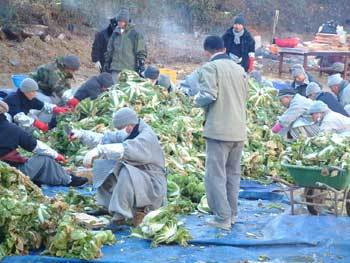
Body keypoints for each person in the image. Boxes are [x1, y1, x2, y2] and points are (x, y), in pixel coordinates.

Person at [70, 107, 166, 226]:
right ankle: (108, 206)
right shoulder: (130, 130)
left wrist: (100, 150)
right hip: (140, 178)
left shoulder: (146, 136)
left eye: (122, 128)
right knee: (105, 166)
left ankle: (120, 216)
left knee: (126, 172)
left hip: (152, 184)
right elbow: (105, 139)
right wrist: (82, 135)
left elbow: (126, 149)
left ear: (130, 124)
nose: (121, 131)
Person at [194, 35, 248, 230]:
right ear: (224, 49)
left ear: (207, 52)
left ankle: (222, 218)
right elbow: (245, 96)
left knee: (215, 175)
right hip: (238, 130)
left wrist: (195, 100)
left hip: (219, 131)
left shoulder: (210, 68)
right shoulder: (239, 69)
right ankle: (232, 215)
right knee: (233, 174)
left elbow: (208, 95)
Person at [0, 101, 87, 187]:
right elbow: (35, 146)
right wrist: (56, 155)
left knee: (31, 161)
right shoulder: (11, 129)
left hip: (3, 171)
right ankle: (68, 180)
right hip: (11, 174)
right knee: (45, 159)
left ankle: (39, 180)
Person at [4, 78, 69, 132]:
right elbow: (18, 117)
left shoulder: (29, 98)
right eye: (33, 91)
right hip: (6, 123)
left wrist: (55, 108)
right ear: (25, 91)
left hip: (16, 121)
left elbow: (43, 105)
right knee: (8, 118)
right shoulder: (12, 99)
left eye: (35, 91)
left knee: (32, 117)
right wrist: (36, 123)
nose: (35, 94)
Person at [104, 8, 147, 82]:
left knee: (126, 90)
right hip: (115, 68)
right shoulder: (115, 34)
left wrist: (141, 63)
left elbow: (141, 51)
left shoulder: (135, 34)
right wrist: (107, 62)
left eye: (122, 21)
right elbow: (109, 50)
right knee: (115, 90)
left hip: (129, 69)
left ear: (126, 22)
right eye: (118, 21)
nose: (119, 23)